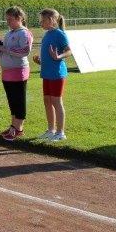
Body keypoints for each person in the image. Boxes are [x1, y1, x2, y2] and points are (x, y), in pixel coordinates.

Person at [33, 8, 72, 141]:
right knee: (47, 101)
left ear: (51, 20)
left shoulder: (60, 34)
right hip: (47, 73)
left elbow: (69, 51)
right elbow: (48, 57)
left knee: (56, 101)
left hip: (57, 74)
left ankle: (60, 133)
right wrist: (40, 61)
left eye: (43, 20)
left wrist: (58, 56)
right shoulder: (46, 35)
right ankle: (51, 130)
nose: (40, 23)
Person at [0, 7, 34, 141]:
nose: (7, 22)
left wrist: (6, 50)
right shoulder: (9, 33)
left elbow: (25, 51)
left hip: (19, 71)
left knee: (19, 100)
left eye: (10, 19)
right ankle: (13, 126)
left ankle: (18, 129)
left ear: (19, 18)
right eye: (7, 19)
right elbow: (7, 49)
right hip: (7, 72)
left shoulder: (25, 33)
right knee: (12, 101)